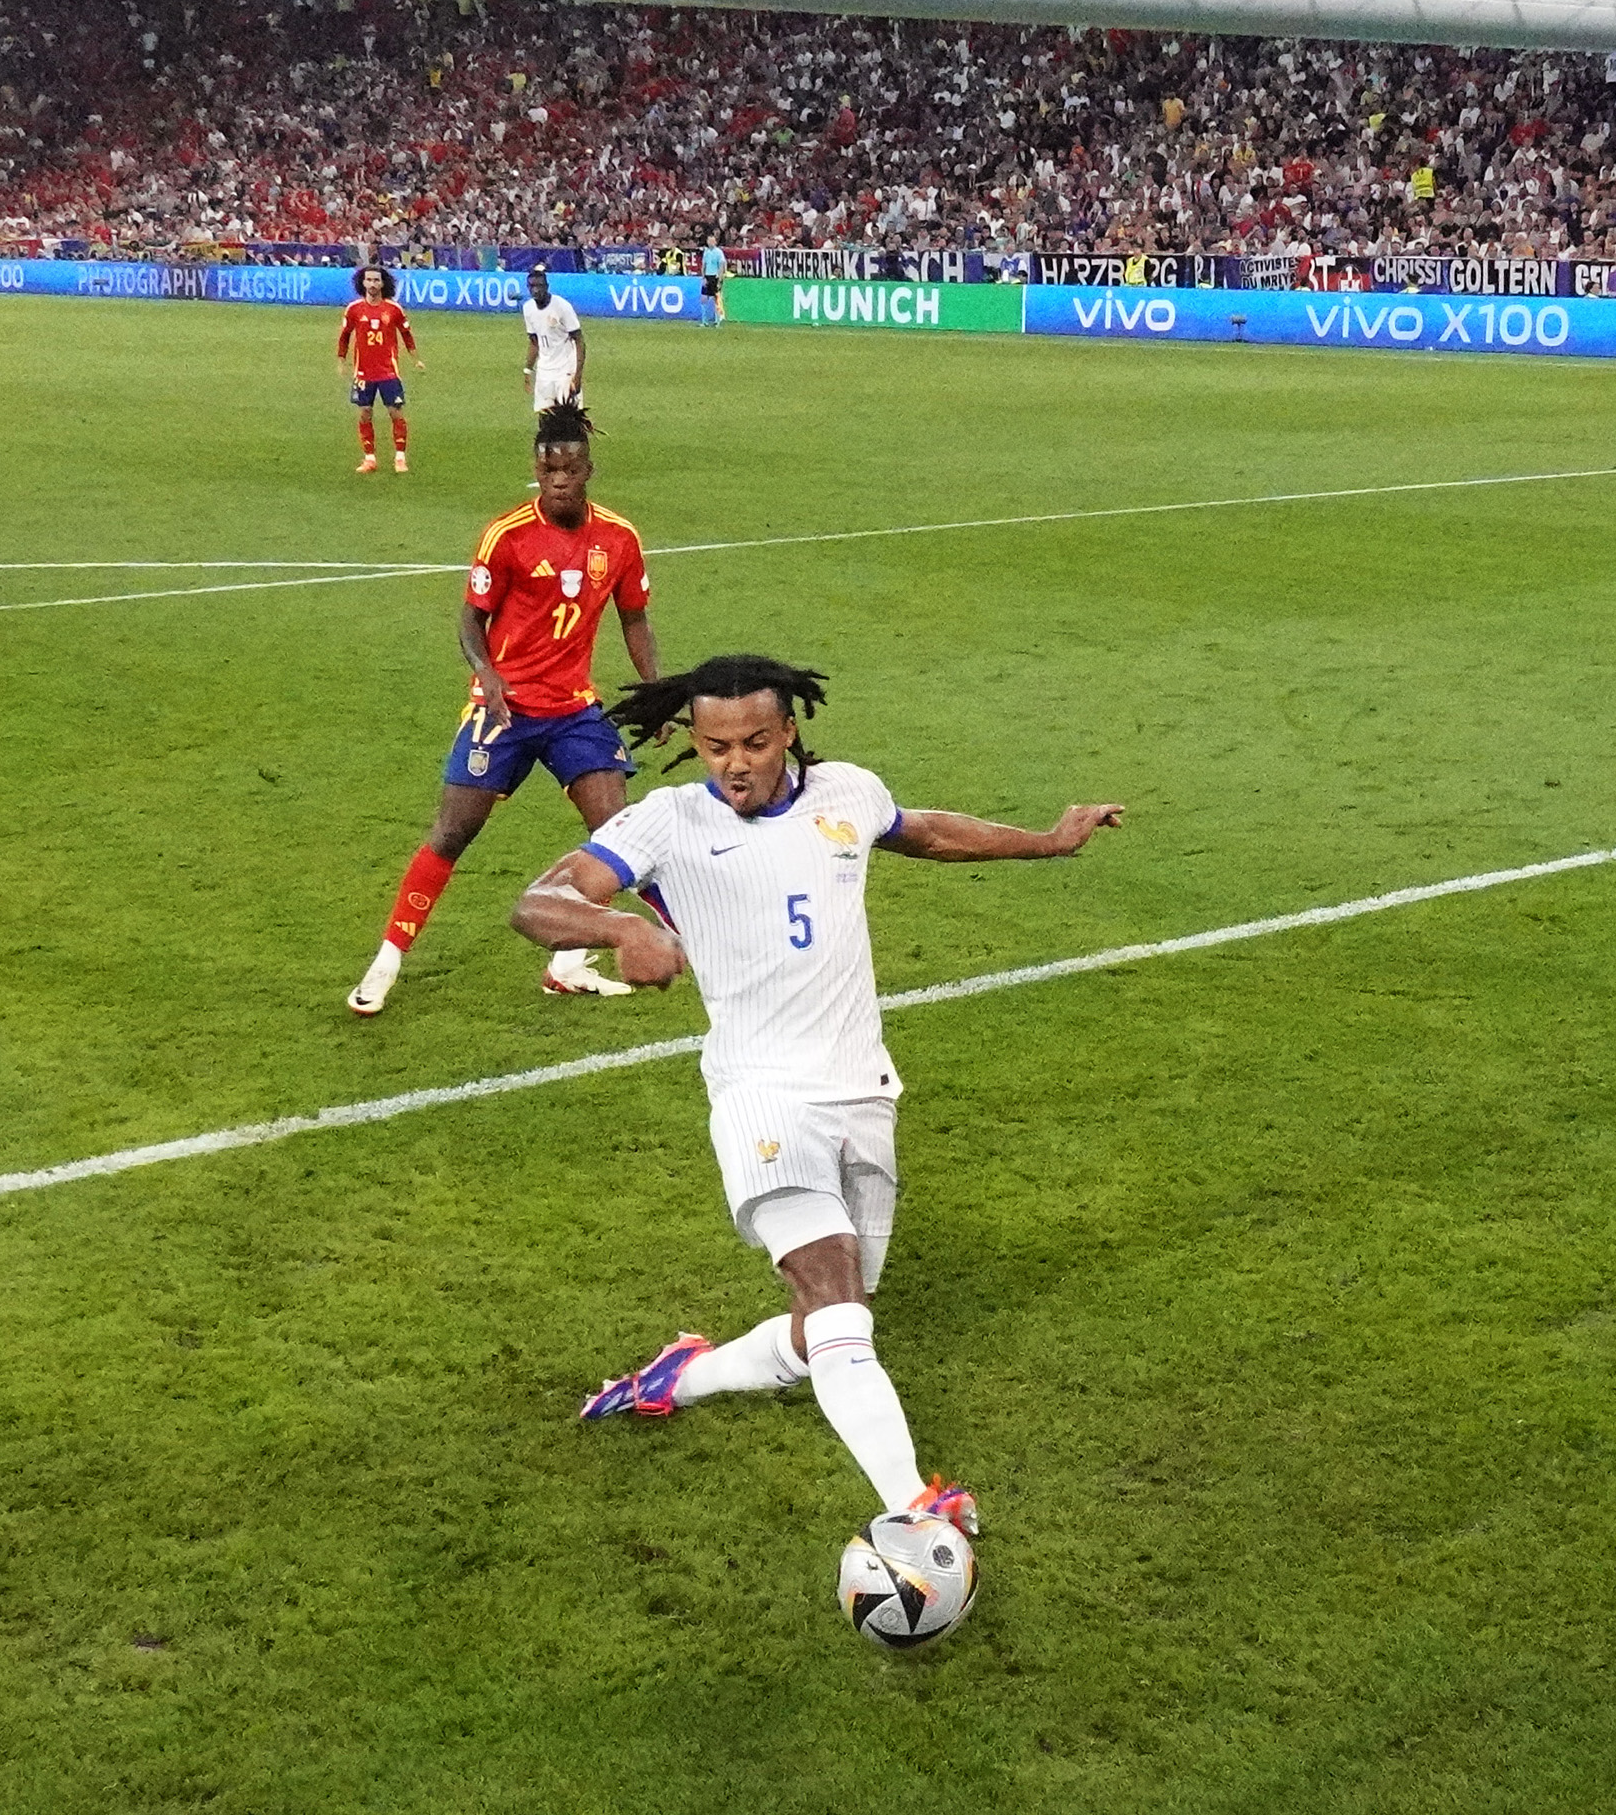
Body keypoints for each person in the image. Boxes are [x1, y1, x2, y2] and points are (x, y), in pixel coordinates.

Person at [510, 654, 1124, 1537]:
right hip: (761, 1099)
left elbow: (930, 833)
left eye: (755, 742)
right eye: (716, 745)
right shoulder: (668, 822)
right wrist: (617, 925)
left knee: (830, 1328)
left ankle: (679, 1378)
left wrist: (1049, 839)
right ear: (695, 742)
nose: (735, 763)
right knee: (835, 1299)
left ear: (788, 733)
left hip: (862, 1092)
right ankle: (916, 1509)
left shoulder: (847, 793)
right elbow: (539, 899)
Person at [347, 399, 658, 1016]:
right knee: (453, 831)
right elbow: (470, 617)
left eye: (570, 467)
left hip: (573, 711)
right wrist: (485, 673)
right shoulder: (508, 536)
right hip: (506, 710)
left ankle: (568, 962)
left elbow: (635, 618)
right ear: (536, 471)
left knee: (619, 836)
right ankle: (386, 960)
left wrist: (658, 689)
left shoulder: (618, 539)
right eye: (548, 469)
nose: (559, 478)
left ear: (588, 467)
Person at [337, 266, 423, 473]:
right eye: (369, 280)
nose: (373, 284)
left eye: (377, 280)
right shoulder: (354, 309)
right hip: (363, 373)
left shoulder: (393, 309)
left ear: (383, 283)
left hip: (388, 372)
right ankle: (369, 458)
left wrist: (415, 359)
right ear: (363, 283)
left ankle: (400, 457)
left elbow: (406, 334)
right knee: (365, 413)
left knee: (396, 413)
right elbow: (345, 335)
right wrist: (341, 360)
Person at [519, 264, 585, 427]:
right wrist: (528, 369)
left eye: (539, 286)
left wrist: (577, 376)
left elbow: (579, 340)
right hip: (544, 372)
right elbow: (535, 342)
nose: (536, 290)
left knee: (570, 418)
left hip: (565, 370)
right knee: (544, 417)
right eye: (532, 286)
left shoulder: (562, 306)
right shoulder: (528, 309)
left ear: (547, 287)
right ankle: (547, 451)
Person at [699, 238, 728, 326]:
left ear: (715, 242)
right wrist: (703, 277)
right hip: (707, 276)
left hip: (715, 276)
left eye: (712, 241)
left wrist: (719, 278)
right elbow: (704, 265)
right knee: (703, 299)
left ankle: (717, 321)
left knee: (716, 299)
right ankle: (704, 321)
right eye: (708, 241)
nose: (710, 242)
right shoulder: (706, 252)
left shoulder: (719, 252)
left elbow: (721, 265)